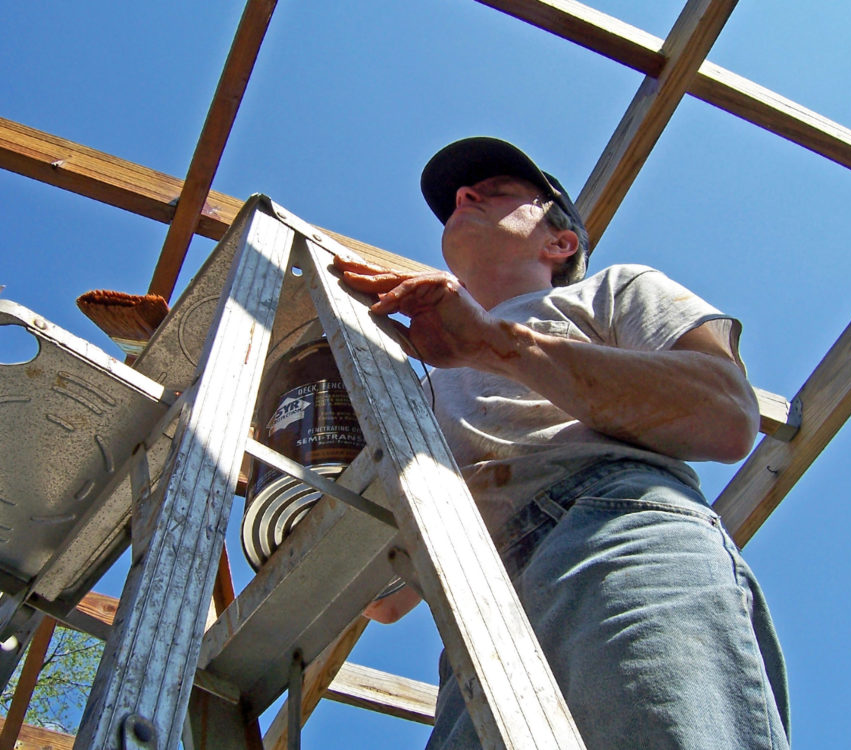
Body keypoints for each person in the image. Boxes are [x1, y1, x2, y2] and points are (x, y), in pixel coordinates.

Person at [333, 137, 790, 749]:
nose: (465, 196)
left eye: (496, 191)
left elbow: (727, 414)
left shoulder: (612, 291)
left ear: (560, 241)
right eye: (458, 200)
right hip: (477, 603)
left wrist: (498, 346)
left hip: (612, 530)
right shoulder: (423, 380)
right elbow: (386, 600)